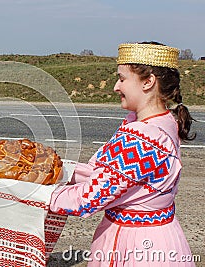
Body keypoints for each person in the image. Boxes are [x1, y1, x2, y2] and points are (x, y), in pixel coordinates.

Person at [50, 42, 196, 266]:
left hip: (138, 247)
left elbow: (88, 198)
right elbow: (104, 175)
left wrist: (29, 190)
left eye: (122, 78)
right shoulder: (163, 121)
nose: (116, 87)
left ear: (148, 82)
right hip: (153, 237)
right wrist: (54, 168)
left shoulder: (145, 137)